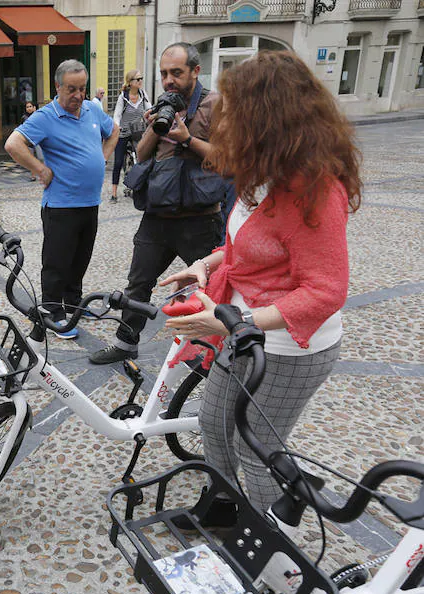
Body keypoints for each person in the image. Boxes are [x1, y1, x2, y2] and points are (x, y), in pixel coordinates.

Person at [162, 51, 361, 528]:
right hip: (242, 329)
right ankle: (227, 507)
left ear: (266, 115)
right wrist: (208, 264)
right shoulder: (265, 172)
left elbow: (325, 291)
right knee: (213, 424)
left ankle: (277, 558)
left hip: (292, 346)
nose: (222, 118)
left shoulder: (317, 188)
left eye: (232, 109)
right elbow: (249, 248)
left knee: (258, 450)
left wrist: (237, 320)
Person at [90, 42, 224, 364]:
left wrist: (187, 139)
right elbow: (145, 153)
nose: (168, 80)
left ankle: (210, 352)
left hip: (200, 218)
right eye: (164, 74)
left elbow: (228, 159)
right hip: (158, 216)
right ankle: (125, 343)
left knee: (212, 288)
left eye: (176, 73)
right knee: (138, 284)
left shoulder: (217, 104)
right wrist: (156, 124)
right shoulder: (165, 104)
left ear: (195, 71)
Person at [5, 60, 119, 339]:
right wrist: (39, 168)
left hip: (89, 203)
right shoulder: (46, 116)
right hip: (61, 206)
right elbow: (13, 144)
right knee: (57, 264)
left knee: (80, 260)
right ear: (58, 87)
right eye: (71, 89)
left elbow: (114, 130)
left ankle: (73, 305)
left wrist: (103, 155)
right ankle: (53, 314)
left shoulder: (92, 109)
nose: (78, 95)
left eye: (82, 88)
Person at [110, 70, 150, 204]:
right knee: (118, 162)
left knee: (143, 158)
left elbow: (150, 109)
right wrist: (117, 126)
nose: (140, 81)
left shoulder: (143, 94)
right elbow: (117, 115)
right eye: (137, 79)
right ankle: (114, 193)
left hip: (137, 131)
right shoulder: (123, 97)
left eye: (141, 79)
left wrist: (153, 117)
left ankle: (140, 187)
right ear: (130, 82)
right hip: (123, 132)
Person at [20, 100, 44, 178]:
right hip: (29, 140)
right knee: (31, 159)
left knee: (41, 157)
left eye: (30, 106)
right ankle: (33, 175)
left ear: (34, 107)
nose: (29, 108)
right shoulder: (24, 117)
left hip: (38, 140)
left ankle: (43, 173)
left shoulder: (38, 116)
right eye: (27, 107)